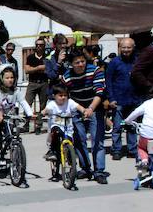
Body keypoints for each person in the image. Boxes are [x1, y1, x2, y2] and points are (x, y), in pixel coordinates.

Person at [62, 49, 108, 184]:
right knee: (79, 139)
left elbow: (99, 92)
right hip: (77, 109)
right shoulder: (67, 76)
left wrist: (91, 108)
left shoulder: (95, 71)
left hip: (95, 107)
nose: (81, 64)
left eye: (82, 61)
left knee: (97, 141)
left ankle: (99, 171)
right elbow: (64, 95)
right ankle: (85, 168)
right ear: (71, 64)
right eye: (77, 63)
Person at [105, 38, 139, 160]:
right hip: (118, 100)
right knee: (117, 127)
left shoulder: (137, 61)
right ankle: (117, 150)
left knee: (131, 126)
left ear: (133, 48)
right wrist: (111, 98)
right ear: (120, 48)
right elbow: (108, 81)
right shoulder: (114, 62)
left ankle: (132, 149)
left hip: (133, 99)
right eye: (123, 47)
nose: (126, 50)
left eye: (128, 47)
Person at [42, 85, 85, 174]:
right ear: (54, 96)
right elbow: (46, 110)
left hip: (67, 128)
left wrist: (84, 111)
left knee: (69, 143)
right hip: (56, 126)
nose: (63, 97)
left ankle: (71, 160)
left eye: (65, 95)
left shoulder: (70, 102)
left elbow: (79, 107)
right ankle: (53, 151)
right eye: (60, 95)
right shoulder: (52, 104)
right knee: (56, 132)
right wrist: (43, 112)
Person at [24, 37, 49, 134]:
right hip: (32, 83)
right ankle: (26, 124)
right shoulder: (30, 57)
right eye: (37, 45)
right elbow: (27, 70)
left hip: (44, 83)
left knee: (42, 105)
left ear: (44, 46)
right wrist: (39, 68)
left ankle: (39, 125)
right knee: (27, 103)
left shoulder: (47, 57)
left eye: (41, 45)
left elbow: (48, 69)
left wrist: (33, 69)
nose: (39, 47)